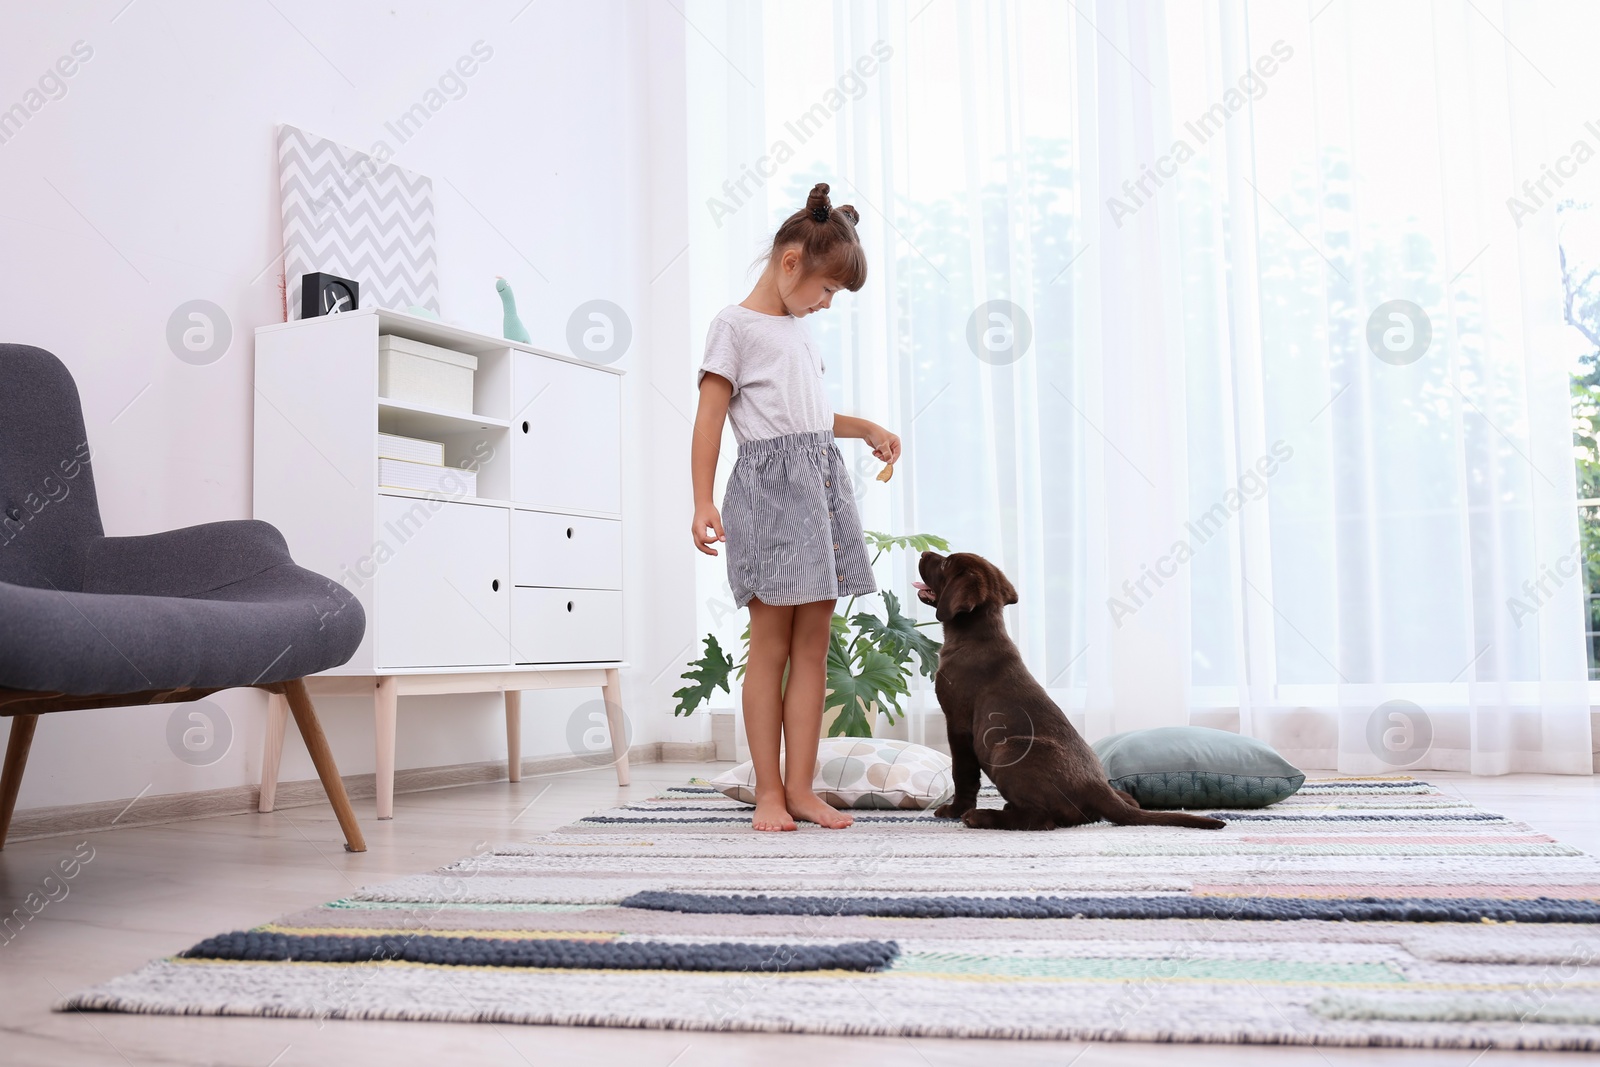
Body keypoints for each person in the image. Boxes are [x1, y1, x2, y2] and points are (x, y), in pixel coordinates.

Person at [691, 182, 902, 832]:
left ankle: (805, 789)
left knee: (815, 645)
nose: (825, 304)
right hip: (770, 498)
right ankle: (769, 793)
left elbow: (808, 416)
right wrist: (701, 498)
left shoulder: (797, 331)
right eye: (826, 290)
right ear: (791, 263)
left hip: (819, 492)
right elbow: (709, 420)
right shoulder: (734, 325)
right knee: (771, 648)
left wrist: (865, 427)